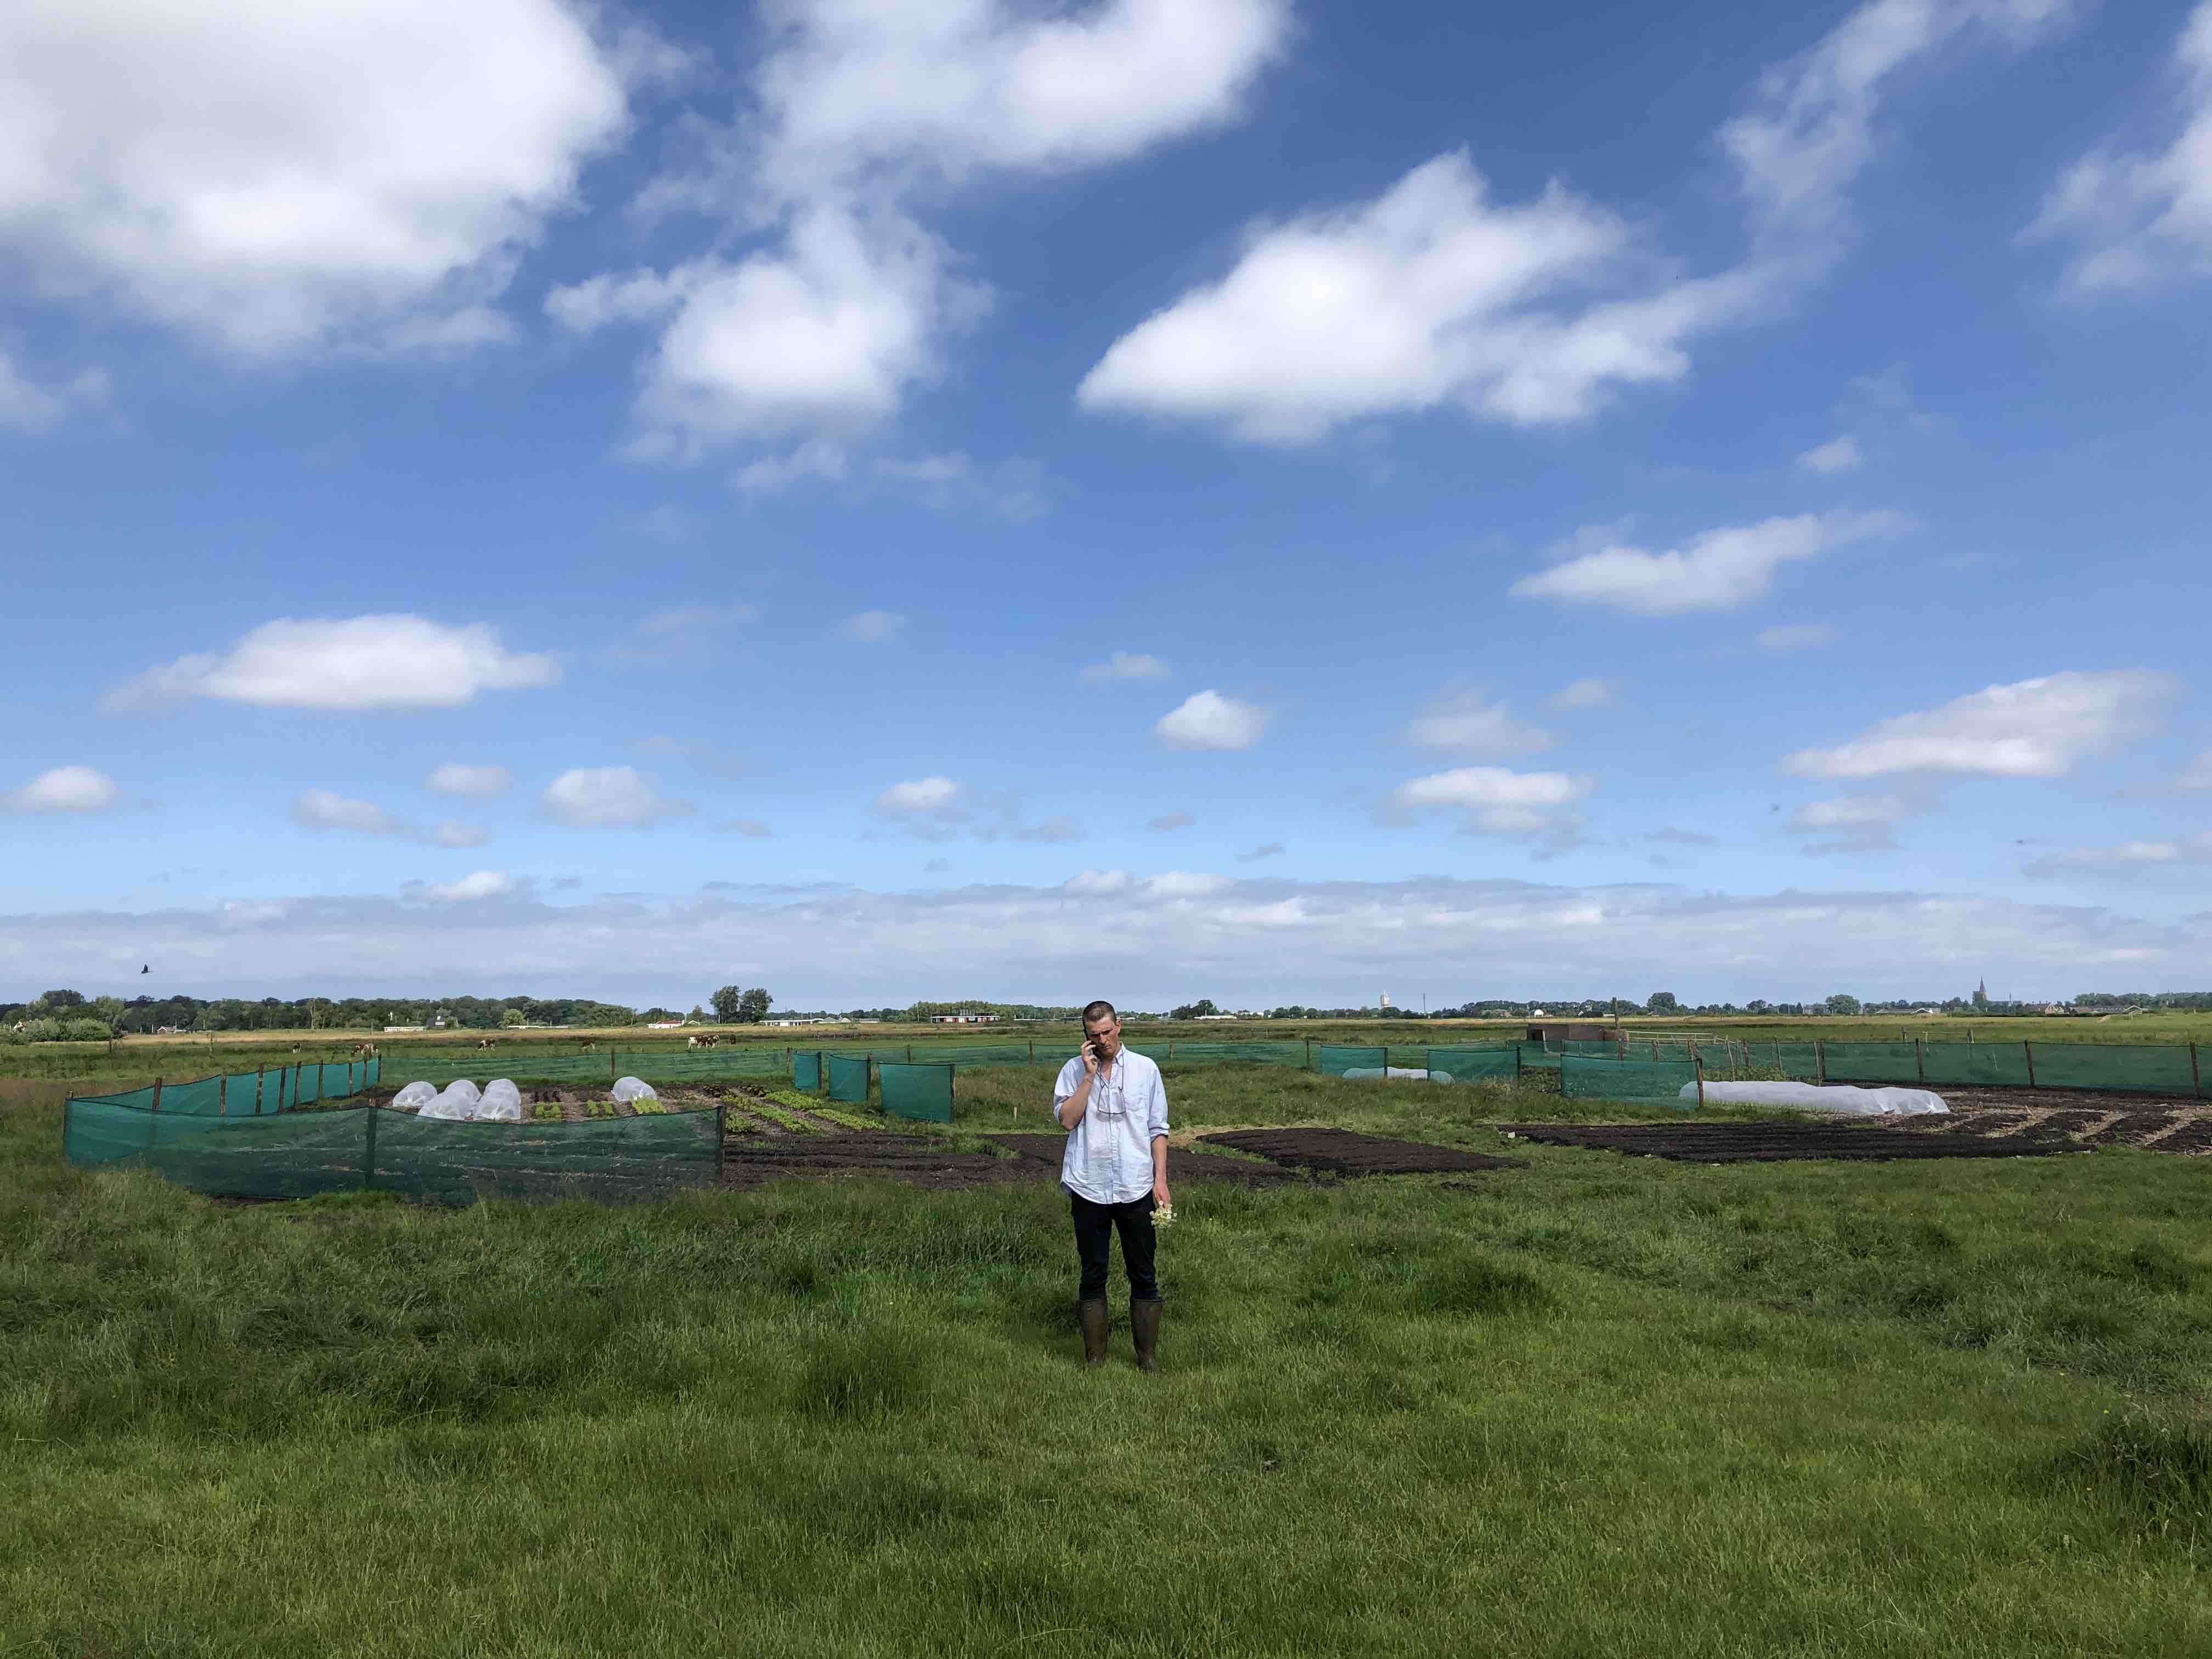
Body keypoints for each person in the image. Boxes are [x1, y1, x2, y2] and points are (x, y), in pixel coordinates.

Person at [1053, 1000, 1170, 1371]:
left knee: (1143, 1271)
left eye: (1107, 1032)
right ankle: (1095, 1358)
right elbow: (1068, 1121)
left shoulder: (1145, 1070)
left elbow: (1157, 1129)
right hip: (1089, 1185)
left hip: (1136, 1185)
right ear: (1085, 1037)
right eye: (1094, 1036)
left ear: (1119, 1026)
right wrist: (1088, 1076)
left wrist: (1161, 1180)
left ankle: (1147, 1356)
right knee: (1093, 1271)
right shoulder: (1073, 1071)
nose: (1102, 1041)